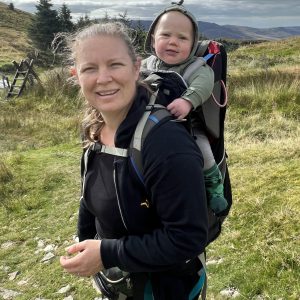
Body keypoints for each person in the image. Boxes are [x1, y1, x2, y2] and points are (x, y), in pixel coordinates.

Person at [59, 22, 208, 299]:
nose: (103, 78)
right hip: (119, 284)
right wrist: (86, 242)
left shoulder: (166, 143)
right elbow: (88, 196)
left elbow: (187, 238)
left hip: (167, 289)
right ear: (75, 75)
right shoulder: (93, 128)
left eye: (115, 64)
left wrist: (105, 253)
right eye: (89, 68)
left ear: (136, 67)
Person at [141, 2, 228, 214]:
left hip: (188, 126)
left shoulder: (198, 67)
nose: (173, 42)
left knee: (204, 151)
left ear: (193, 43)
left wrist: (187, 101)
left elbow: (203, 85)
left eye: (182, 38)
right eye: (165, 35)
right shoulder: (147, 64)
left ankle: (215, 187)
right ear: (153, 39)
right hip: (149, 126)